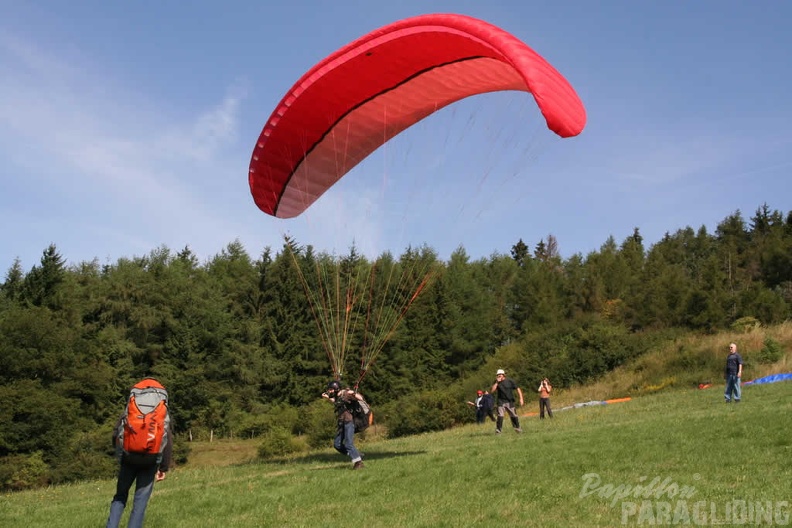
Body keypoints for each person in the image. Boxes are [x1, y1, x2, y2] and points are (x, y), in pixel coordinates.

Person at [107, 379, 173, 528]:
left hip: (128, 457)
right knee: (140, 502)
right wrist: (163, 468)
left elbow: (115, 433)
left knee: (120, 496)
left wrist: (119, 456)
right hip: (150, 459)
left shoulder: (131, 408)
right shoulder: (161, 412)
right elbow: (167, 440)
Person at [322, 380, 365, 469]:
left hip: (349, 422)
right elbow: (337, 402)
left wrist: (353, 393)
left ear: (336, 389)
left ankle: (358, 463)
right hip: (341, 423)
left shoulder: (346, 393)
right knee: (337, 444)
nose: (329, 391)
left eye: (330, 389)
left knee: (348, 444)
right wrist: (327, 398)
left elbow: (360, 398)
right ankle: (356, 454)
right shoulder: (338, 396)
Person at [491, 368, 524, 433]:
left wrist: (521, 398)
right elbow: (492, 390)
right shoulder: (496, 382)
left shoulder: (510, 381)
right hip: (501, 401)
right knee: (500, 415)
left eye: (500, 374)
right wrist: (497, 382)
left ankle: (517, 428)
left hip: (510, 401)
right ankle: (498, 430)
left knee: (513, 415)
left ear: (503, 375)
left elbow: (518, 389)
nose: (499, 376)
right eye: (498, 375)